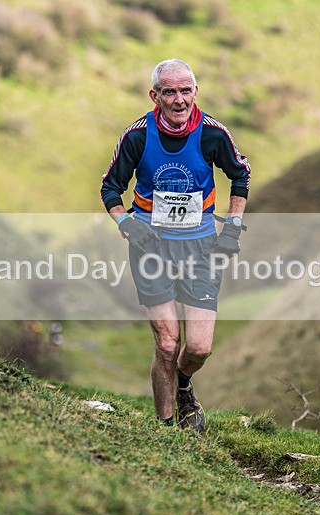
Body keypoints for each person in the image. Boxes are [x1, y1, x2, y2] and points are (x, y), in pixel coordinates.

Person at [100, 58, 251, 432]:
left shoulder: (213, 134)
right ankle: (166, 428)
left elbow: (240, 176)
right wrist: (127, 224)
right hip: (151, 248)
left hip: (201, 248)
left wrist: (232, 227)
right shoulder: (137, 136)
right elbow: (110, 188)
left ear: (195, 92)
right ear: (155, 96)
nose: (179, 99)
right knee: (167, 344)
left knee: (198, 348)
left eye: (185, 90)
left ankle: (182, 383)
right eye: (169, 92)